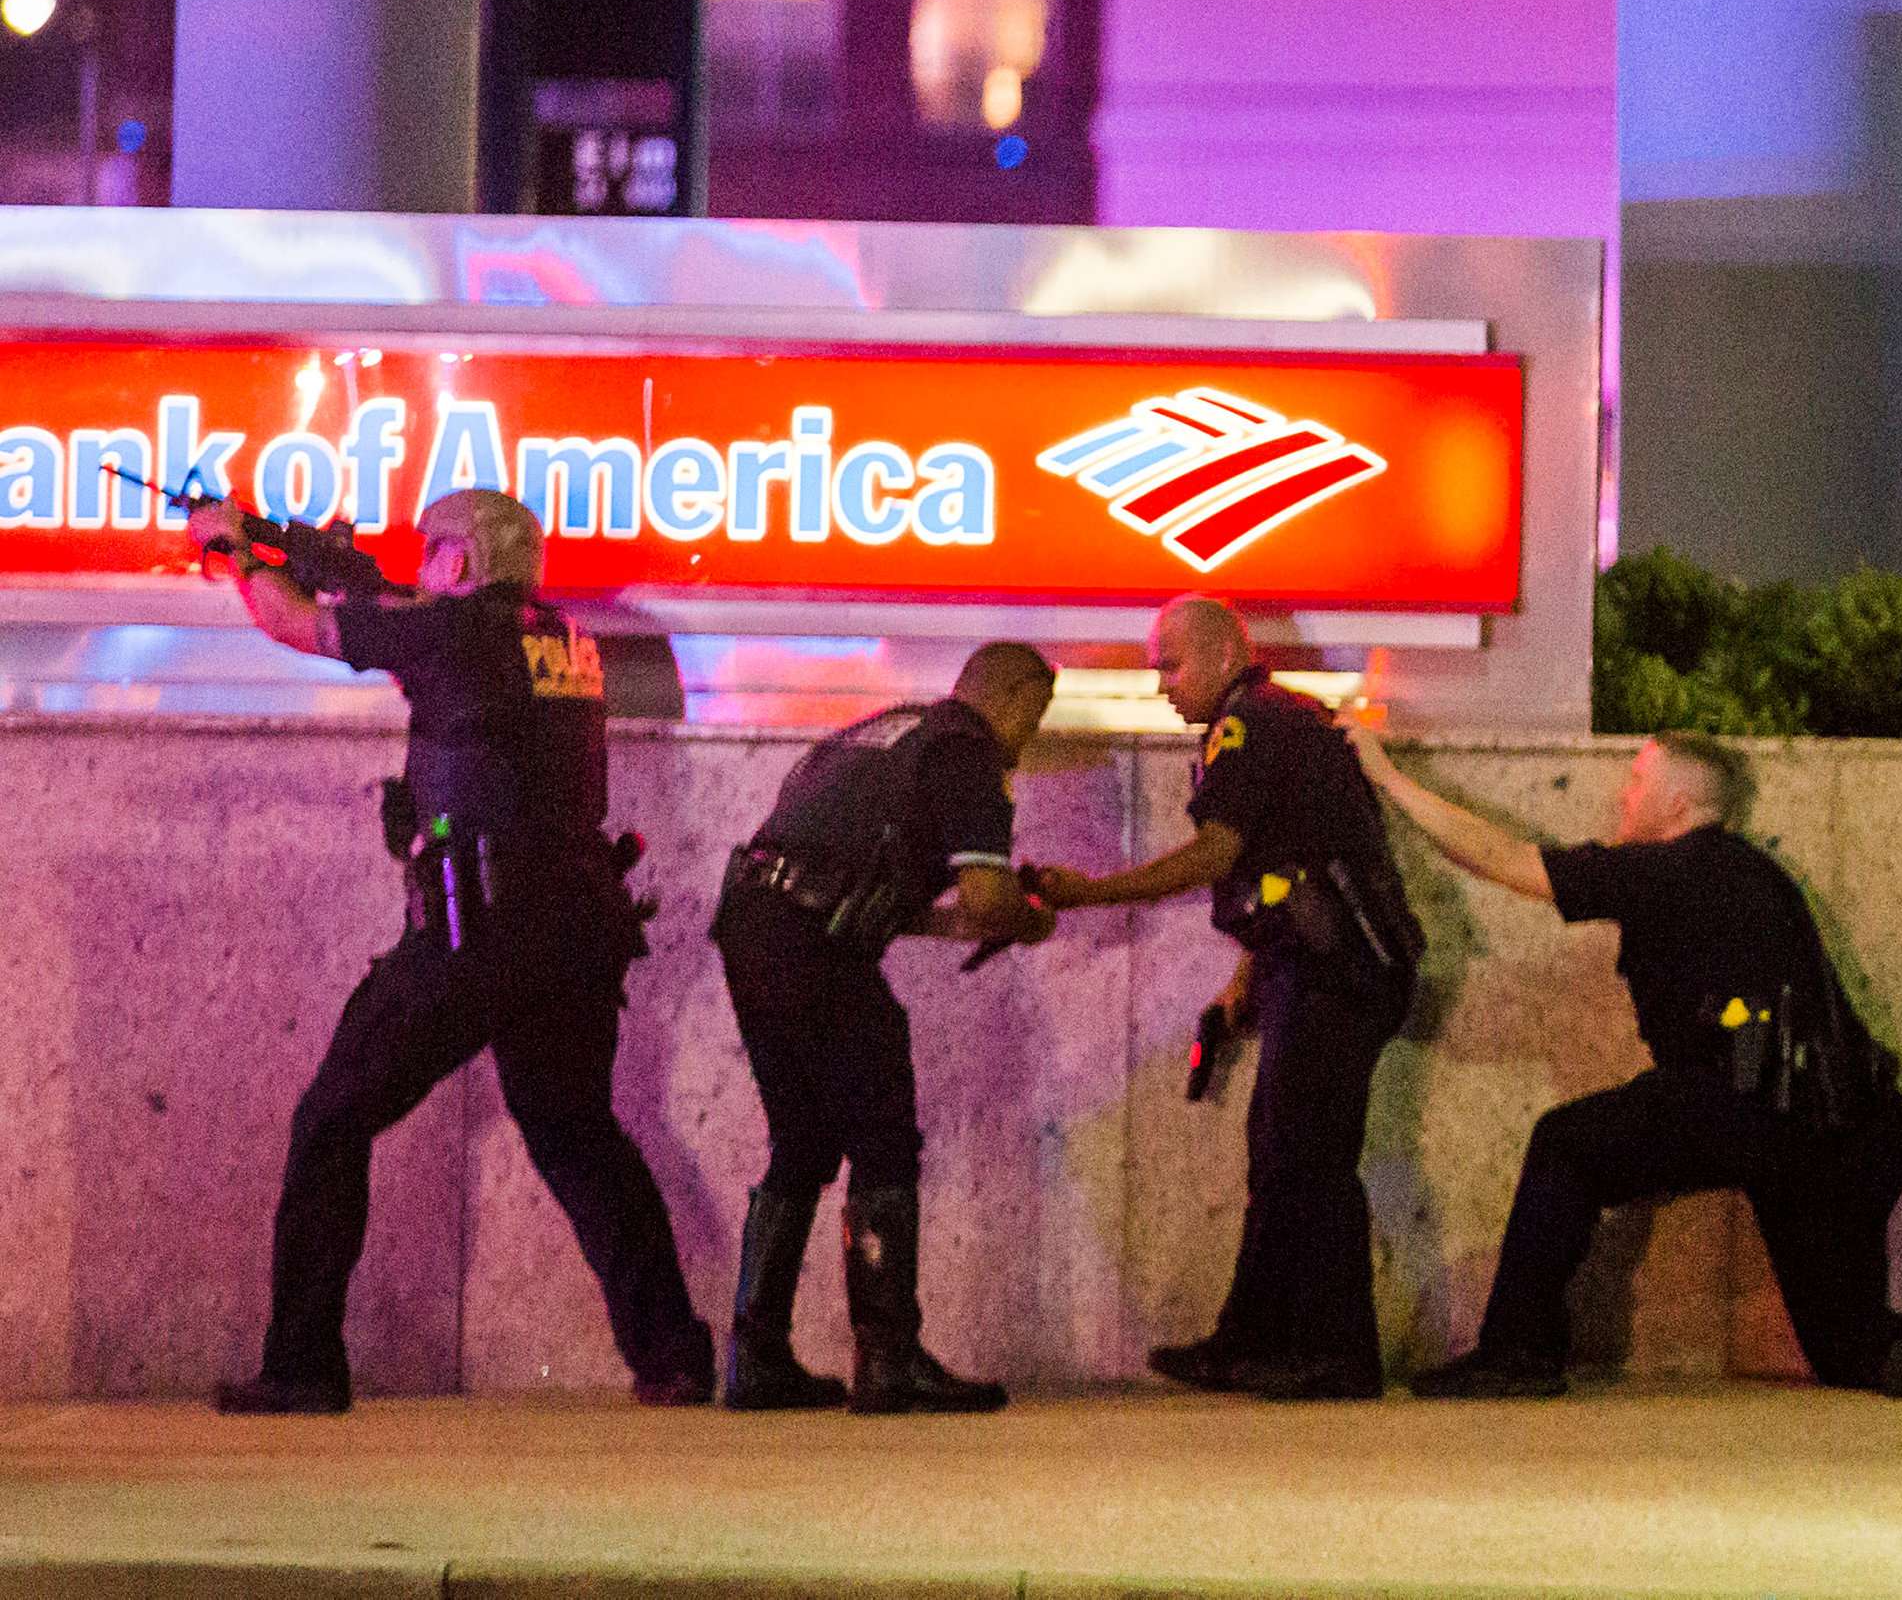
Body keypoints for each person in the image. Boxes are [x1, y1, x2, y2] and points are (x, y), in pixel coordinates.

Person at [191, 487, 711, 1415]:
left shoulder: (456, 633)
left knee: (332, 1121)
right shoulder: (562, 639)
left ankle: (303, 1364)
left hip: (480, 930)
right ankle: (673, 1353)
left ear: (462, 562)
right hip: (574, 928)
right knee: (578, 1135)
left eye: (431, 551)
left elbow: (297, 625)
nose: (421, 567)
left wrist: (232, 550)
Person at [1351, 730, 1902, 1400]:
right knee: (1850, 1353)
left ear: (1678, 804)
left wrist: (1387, 777)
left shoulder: (1664, 869)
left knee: (1566, 1145)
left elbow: (1505, 860)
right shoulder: (1762, 876)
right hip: (1839, 1128)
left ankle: (1517, 1352)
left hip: (1732, 1101)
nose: (1623, 794)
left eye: (1638, 780)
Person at [1037, 598, 1424, 1401]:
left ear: (1221, 655)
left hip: (1338, 970)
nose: (1160, 686)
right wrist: (1246, 979)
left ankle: (1340, 1356)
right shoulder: (1273, 720)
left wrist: (1091, 893)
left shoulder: (1251, 724)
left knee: (1309, 1157)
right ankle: (1251, 1342)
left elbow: (1220, 852)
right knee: (1281, 1150)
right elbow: (1280, 865)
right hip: (1314, 963)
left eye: (1169, 665)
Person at [711, 643, 1060, 1414]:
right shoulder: (968, 752)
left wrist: (974, 917)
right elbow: (989, 897)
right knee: (883, 1138)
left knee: (801, 1141)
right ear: (1010, 698)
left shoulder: (881, 733)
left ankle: (756, 1356)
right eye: (1033, 720)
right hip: (815, 945)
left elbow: (868, 895)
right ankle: (889, 1357)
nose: (1027, 740)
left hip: (752, 922)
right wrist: (1029, 921)